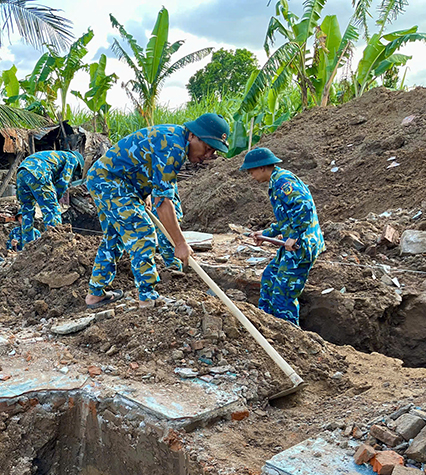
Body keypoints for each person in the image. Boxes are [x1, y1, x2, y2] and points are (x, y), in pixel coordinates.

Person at [84, 113, 230, 309]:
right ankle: (148, 298)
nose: (208, 155)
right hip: (109, 181)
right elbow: (164, 204)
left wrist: (145, 194)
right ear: (193, 136)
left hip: (108, 180)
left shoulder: (175, 138)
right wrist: (180, 243)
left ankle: (96, 295)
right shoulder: (174, 147)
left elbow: (144, 165)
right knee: (142, 232)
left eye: (213, 152)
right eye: (208, 147)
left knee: (114, 236)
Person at [240, 147, 325, 326]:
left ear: (262, 167)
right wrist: (266, 234)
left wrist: (294, 235)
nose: (251, 175)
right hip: (293, 245)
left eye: (252, 171)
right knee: (269, 278)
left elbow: (304, 207)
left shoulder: (283, 181)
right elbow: (287, 219)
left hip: (302, 247)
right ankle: (266, 325)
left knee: (283, 293)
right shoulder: (276, 181)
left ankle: (289, 336)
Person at [16, 150, 83, 245]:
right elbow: (63, 182)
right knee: (52, 208)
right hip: (37, 171)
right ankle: (56, 243)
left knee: (27, 212)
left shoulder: (54, 156)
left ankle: (27, 246)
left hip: (21, 173)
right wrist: (55, 198)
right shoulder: (72, 158)